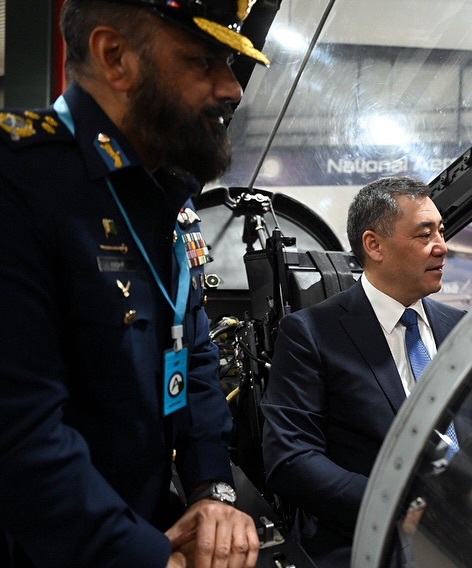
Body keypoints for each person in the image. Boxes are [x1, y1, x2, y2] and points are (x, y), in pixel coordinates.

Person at [0, 1, 270, 566]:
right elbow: (19, 436)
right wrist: (147, 557)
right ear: (114, 57)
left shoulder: (158, 191)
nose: (232, 89)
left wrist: (210, 491)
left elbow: (191, 349)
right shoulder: (21, 186)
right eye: (201, 60)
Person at [261, 176, 472, 567]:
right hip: (375, 539)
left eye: (441, 231)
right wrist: (395, 509)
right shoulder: (311, 334)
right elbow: (291, 459)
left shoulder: (458, 327)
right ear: (374, 245)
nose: (442, 247)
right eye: (425, 234)